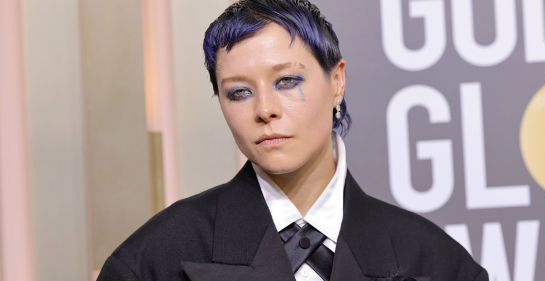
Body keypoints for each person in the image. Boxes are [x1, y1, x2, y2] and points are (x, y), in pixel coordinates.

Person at [97, 0, 489, 280]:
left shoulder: (434, 261)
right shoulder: (154, 260)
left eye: (287, 82)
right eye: (239, 92)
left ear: (337, 81)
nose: (265, 109)